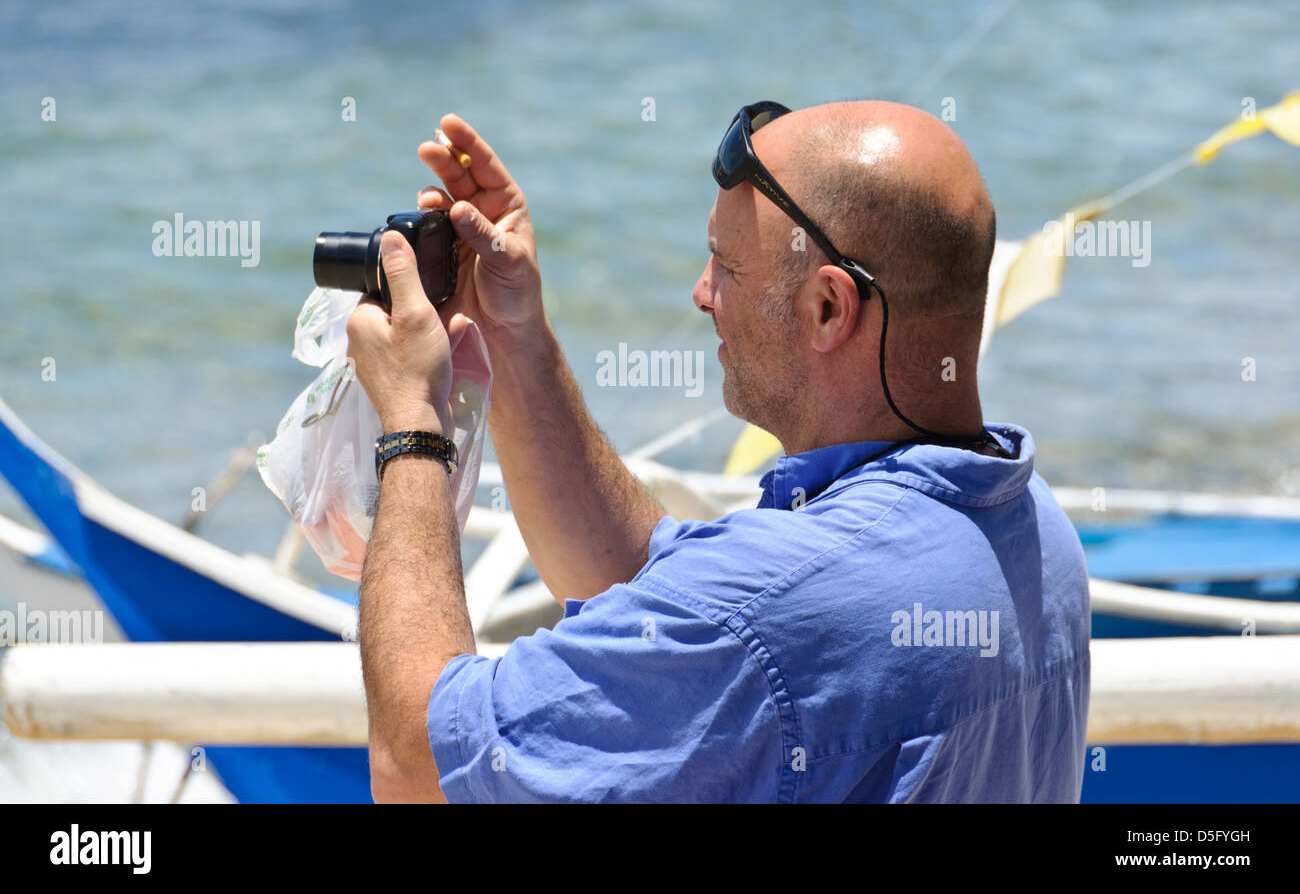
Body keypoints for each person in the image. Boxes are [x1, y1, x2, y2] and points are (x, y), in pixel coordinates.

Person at [346, 100, 1091, 803]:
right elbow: (652, 594)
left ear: (829, 307)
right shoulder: (1034, 529)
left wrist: (414, 422)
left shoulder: (775, 616)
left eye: (726, 267)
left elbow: (418, 762)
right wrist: (512, 337)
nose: (702, 294)